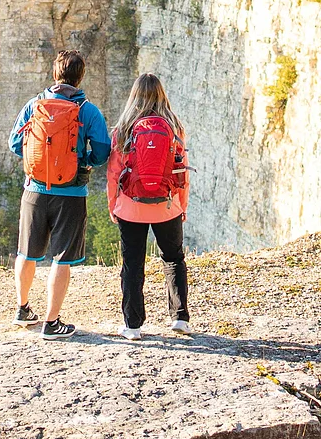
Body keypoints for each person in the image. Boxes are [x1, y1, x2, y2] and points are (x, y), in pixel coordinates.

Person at [10, 49, 111, 340]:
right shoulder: (88, 111)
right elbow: (102, 151)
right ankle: (52, 323)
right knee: (61, 258)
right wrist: (83, 161)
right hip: (72, 192)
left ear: (55, 75)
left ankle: (22, 308)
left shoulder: (34, 105)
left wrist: (38, 162)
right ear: (80, 78)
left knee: (26, 252)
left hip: (34, 189)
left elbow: (15, 144)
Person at [106, 72, 191, 339]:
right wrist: (182, 204)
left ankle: (133, 326)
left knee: (132, 264)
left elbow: (113, 173)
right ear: (161, 95)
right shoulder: (174, 127)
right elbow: (181, 173)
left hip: (131, 205)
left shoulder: (125, 128)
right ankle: (180, 318)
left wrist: (113, 205)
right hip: (167, 205)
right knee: (174, 259)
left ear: (134, 96)